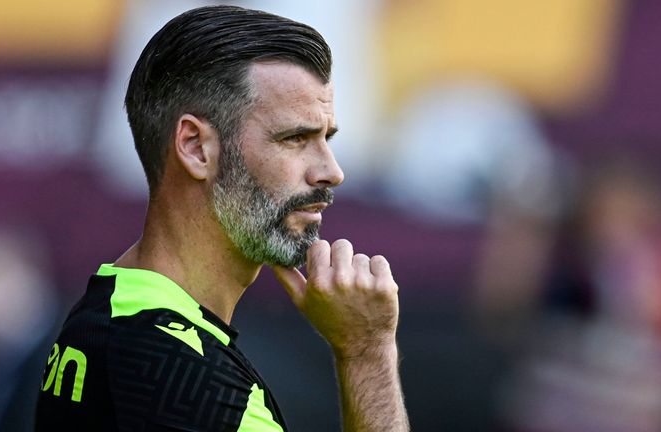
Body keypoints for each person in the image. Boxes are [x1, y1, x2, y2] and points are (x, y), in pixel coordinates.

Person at [35, 5, 409, 431]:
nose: (331, 171)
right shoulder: (194, 380)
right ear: (195, 147)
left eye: (326, 138)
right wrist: (366, 352)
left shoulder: (102, 310)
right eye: (294, 139)